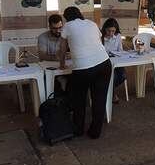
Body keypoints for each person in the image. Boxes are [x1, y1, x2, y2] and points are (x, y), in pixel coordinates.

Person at [59, 7, 112, 139]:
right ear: (80, 14)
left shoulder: (67, 26)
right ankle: (95, 132)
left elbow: (62, 48)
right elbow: (99, 42)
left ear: (66, 17)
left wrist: (61, 64)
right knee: (99, 99)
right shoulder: (91, 23)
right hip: (104, 64)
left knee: (79, 100)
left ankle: (78, 129)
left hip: (82, 69)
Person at [37, 14, 68, 95]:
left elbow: (73, 53)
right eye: (54, 28)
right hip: (49, 69)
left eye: (60, 28)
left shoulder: (67, 36)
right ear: (49, 27)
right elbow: (42, 56)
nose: (58, 31)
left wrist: (60, 56)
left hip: (66, 68)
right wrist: (61, 56)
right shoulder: (42, 37)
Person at [101, 18, 127, 103]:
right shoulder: (100, 37)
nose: (111, 33)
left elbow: (120, 50)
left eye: (113, 31)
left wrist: (120, 54)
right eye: (109, 31)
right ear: (105, 29)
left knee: (122, 76)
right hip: (104, 63)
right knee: (113, 76)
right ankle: (112, 94)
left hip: (116, 61)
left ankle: (108, 91)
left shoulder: (118, 36)